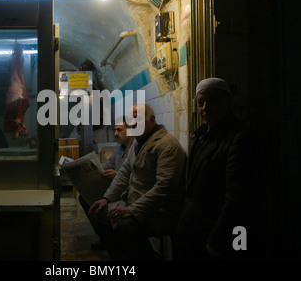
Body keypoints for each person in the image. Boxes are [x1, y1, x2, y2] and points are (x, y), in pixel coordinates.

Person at [174, 77, 260, 261]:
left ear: (228, 102)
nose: (205, 107)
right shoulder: (202, 136)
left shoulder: (238, 139)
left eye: (213, 100)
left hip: (211, 235)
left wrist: (218, 239)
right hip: (192, 230)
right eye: (201, 102)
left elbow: (237, 197)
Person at [88, 103, 187, 260]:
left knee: (124, 227)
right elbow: (124, 172)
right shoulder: (137, 142)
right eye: (130, 120)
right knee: (98, 213)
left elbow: (164, 188)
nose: (132, 123)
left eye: (137, 118)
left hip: (161, 211)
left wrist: (132, 211)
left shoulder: (166, 145)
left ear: (152, 120)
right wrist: (107, 198)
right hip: (135, 202)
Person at [79, 120, 134, 251]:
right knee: (85, 198)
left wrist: (117, 175)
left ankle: (113, 242)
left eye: (119, 130)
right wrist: (89, 170)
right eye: (115, 130)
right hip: (115, 189)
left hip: (128, 193)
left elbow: (136, 177)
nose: (115, 133)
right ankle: (105, 237)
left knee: (100, 211)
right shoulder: (120, 147)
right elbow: (106, 166)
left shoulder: (135, 149)